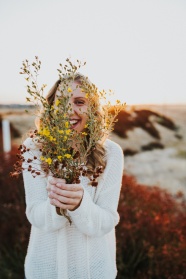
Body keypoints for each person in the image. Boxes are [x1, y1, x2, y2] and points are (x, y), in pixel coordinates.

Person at [22, 73, 124, 279]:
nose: (69, 109)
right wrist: (57, 204)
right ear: (51, 108)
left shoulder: (111, 153)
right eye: (61, 102)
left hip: (93, 269)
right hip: (45, 269)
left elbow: (106, 220)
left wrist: (80, 204)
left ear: (93, 108)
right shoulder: (33, 148)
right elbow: (35, 214)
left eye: (79, 102)